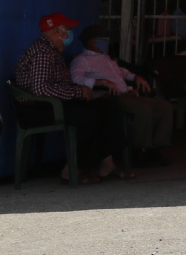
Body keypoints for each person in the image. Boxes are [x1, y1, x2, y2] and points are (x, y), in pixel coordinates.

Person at [14, 11, 129, 183]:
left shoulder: (51, 50)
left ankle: (107, 163)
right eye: (67, 29)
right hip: (39, 108)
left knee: (106, 106)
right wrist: (77, 92)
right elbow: (41, 89)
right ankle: (72, 169)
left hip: (54, 104)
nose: (70, 34)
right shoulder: (43, 53)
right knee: (88, 117)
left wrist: (82, 90)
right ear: (57, 31)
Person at [70, 24, 174, 166]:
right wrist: (101, 82)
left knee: (164, 106)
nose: (107, 42)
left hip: (127, 95)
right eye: (104, 38)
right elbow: (76, 78)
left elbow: (121, 72)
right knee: (143, 110)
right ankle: (137, 152)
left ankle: (155, 148)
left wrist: (136, 77)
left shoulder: (106, 58)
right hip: (108, 98)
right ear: (92, 41)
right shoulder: (82, 60)